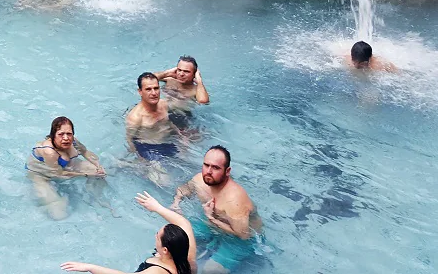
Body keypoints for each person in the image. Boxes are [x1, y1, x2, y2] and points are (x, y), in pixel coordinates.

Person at [60, 191, 197, 274]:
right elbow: (183, 223)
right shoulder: (185, 259)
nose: (155, 236)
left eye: (157, 235)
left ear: (166, 250)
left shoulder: (158, 271)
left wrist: (90, 267)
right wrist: (157, 208)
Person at [172, 146, 262, 273]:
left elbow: (243, 234)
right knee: (177, 240)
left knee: (210, 270)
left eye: (215, 167)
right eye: (206, 165)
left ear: (227, 171)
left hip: (240, 240)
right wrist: (176, 203)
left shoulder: (234, 200)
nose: (208, 171)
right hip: (212, 224)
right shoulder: (200, 180)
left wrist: (211, 218)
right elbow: (184, 189)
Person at [26, 116, 108, 220]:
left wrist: (98, 166)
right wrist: (86, 174)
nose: (66, 138)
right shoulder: (49, 151)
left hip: (65, 166)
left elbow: (86, 152)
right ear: (53, 136)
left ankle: (97, 197)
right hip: (41, 175)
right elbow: (58, 174)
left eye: (69, 133)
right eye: (61, 134)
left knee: (99, 173)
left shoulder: (72, 141)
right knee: (59, 214)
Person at [126, 73, 181, 186]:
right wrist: (142, 160)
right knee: (165, 183)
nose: (154, 93)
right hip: (149, 149)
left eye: (156, 88)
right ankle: (128, 165)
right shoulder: (135, 118)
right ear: (140, 92)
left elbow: (169, 123)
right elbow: (130, 140)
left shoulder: (164, 104)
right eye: (148, 89)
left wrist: (182, 137)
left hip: (167, 142)